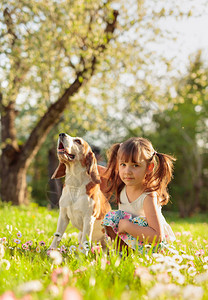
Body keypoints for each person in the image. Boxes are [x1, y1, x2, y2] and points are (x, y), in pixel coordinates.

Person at [99, 137, 176, 253]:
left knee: (123, 221)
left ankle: (130, 252)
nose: (127, 171)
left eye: (135, 165)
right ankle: (121, 252)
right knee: (112, 218)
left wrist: (126, 226)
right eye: (123, 164)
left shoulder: (148, 196)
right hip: (133, 238)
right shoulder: (122, 184)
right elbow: (103, 172)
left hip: (152, 246)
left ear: (149, 167)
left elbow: (157, 236)